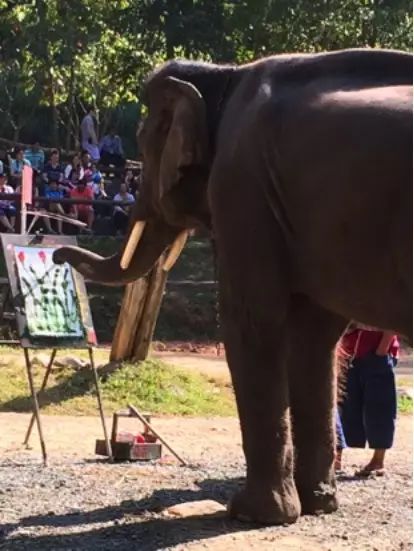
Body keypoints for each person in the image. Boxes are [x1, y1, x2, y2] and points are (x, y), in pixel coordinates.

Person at [338, 324, 399, 476]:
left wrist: (382, 350)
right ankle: (336, 459)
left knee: (379, 406)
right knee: (345, 406)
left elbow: (392, 320)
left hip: (377, 353)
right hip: (349, 353)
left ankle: (378, 460)